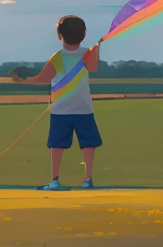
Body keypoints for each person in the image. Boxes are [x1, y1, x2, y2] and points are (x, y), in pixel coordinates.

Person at [10, 14, 102, 190]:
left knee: (57, 145)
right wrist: (95, 52)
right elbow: (93, 68)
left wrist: (23, 81)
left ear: (60, 34)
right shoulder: (85, 54)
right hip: (82, 109)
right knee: (88, 144)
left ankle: (55, 180)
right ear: (83, 34)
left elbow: (43, 78)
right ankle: (87, 179)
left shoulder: (58, 56)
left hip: (61, 111)